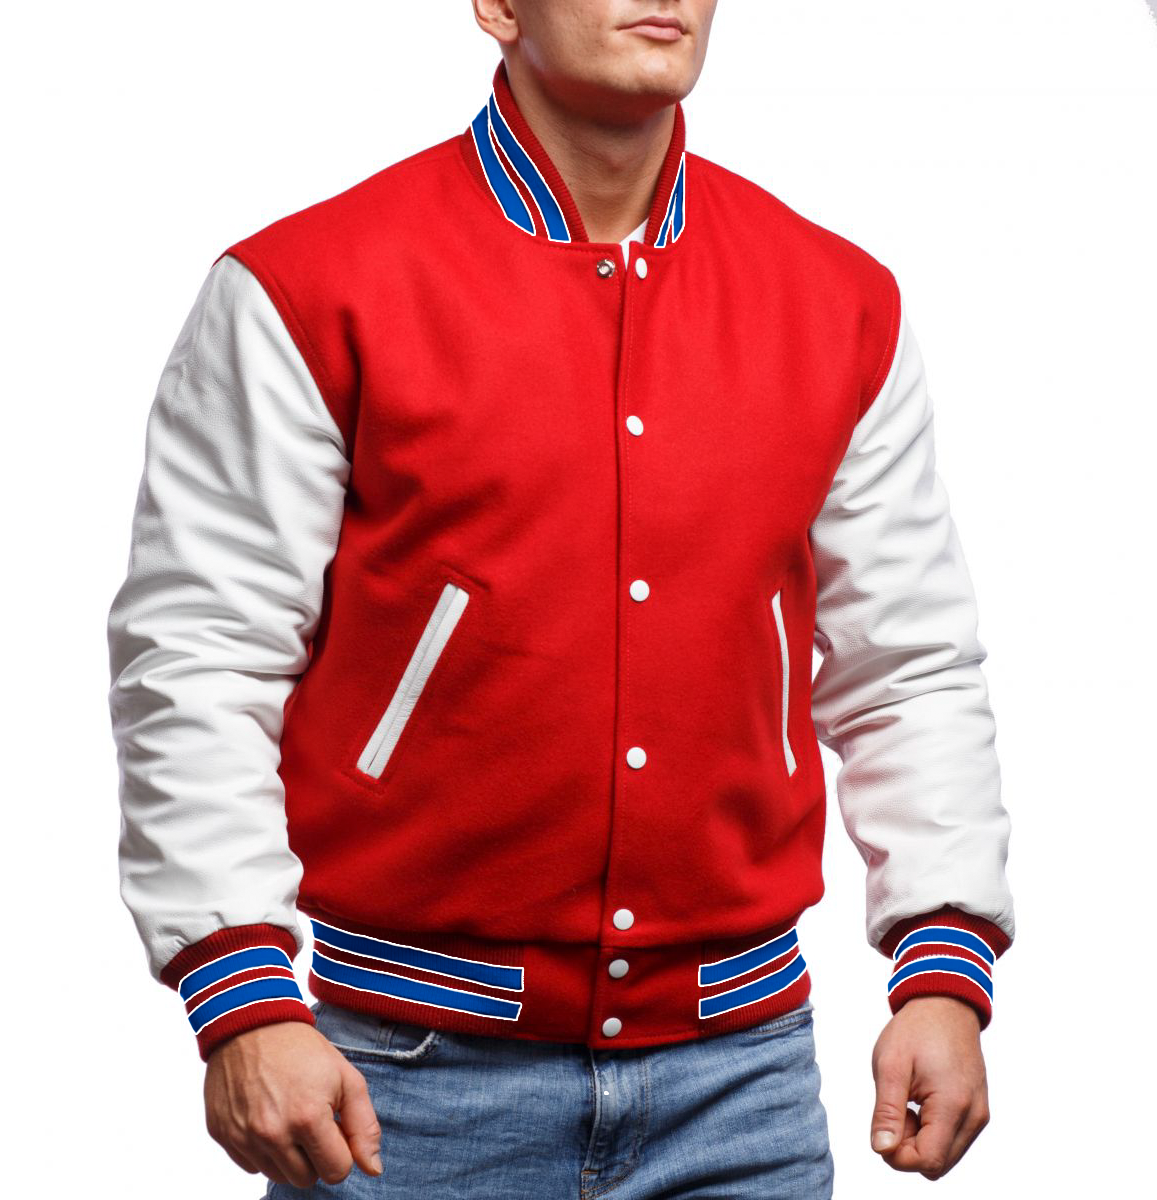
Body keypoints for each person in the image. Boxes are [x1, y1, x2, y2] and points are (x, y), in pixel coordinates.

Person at [105, 1, 1016, 1195]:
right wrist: (240, 991)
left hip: (744, 1086)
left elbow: (908, 665)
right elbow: (198, 655)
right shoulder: (311, 289)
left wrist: (943, 969)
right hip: (401, 1087)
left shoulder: (837, 303)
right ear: (496, 5)